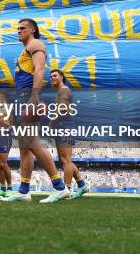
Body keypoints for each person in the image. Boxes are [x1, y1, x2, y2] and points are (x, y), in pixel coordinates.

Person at [4, 19, 70, 203]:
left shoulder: (35, 44)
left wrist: (34, 96)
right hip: (22, 96)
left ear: (33, 30)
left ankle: (59, 186)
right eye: (17, 28)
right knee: (25, 146)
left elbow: (40, 70)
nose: (19, 31)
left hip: (28, 96)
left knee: (31, 141)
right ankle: (24, 190)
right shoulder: (25, 49)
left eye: (22, 28)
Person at [49, 69, 88, 198]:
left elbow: (63, 106)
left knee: (66, 160)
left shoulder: (64, 90)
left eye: (55, 75)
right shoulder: (61, 91)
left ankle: (66, 189)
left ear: (61, 77)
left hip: (64, 125)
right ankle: (81, 185)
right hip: (62, 126)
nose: (52, 78)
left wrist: (52, 120)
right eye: (50, 76)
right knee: (64, 159)